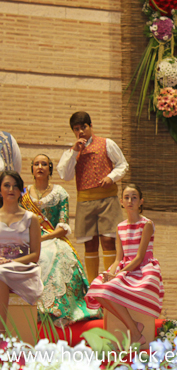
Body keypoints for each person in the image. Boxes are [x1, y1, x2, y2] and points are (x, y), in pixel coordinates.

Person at [21, 154, 100, 326]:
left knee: (59, 256)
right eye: (36, 164)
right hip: (27, 239)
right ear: (32, 169)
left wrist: (44, 237)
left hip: (53, 237)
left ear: (50, 169)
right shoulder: (23, 194)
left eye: (44, 164)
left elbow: (63, 226)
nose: (40, 167)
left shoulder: (60, 193)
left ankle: (57, 309)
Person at [85, 184, 163, 347]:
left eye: (134, 197)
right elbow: (118, 258)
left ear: (141, 201)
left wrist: (118, 275)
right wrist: (111, 273)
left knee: (111, 286)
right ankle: (134, 327)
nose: (130, 201)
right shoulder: (120, 227)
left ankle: (135, 331)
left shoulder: (147, 224)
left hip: (143, 270)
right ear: (121, 201)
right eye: (126, 197)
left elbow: (139, 257)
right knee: (96, 289)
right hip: (125, 268)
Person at [57, 111, 129, 282]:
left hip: (107, 200)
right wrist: (74, 152)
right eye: (76, 129)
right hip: (85, 201)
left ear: (90, 126)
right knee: (90, 244)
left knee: (108, 240)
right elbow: (65, 175)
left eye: (84, 127)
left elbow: (122, 164)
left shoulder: (106, 143)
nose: (81, 132)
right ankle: (92, 284)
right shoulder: (72, 152)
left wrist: (111, 177)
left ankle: (110, 281)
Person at [0, 171, 43, 334]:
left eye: (15, 186)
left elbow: (35, 255)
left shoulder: (31, 218)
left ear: (21, 191)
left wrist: (11, 262)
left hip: (23, 269)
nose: (11, 189)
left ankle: (1, 335)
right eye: (6, 185)